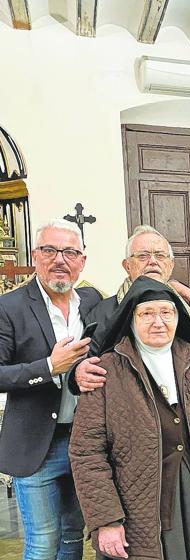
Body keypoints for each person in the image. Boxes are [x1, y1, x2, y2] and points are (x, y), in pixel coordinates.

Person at [69, 276, 190, 559]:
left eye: (166, 312)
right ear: (131, 319)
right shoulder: (106, 371)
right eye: (147, 313)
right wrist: (105, 520)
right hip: (135, 507)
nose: (158, 322)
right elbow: (86, 452)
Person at [0, 219, 102, 559]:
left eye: (70, 252)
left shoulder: (91, 301)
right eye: (50, 250)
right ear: (35, 255)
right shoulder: (10, 307)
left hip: (84, 441)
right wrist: (48, 367)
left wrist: (171, 287)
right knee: (43, 542)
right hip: (37, 446)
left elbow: (133, 300)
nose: (60, 259)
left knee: (73, 536)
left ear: (82, 261)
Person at [69, 224, 190, 394]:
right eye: (143, 256)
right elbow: (86, 367)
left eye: (160, 255)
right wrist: (78, 373)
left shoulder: (185, 310)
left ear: (171, 265)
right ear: (127, 265)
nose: (153, 261)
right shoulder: (103, 313)